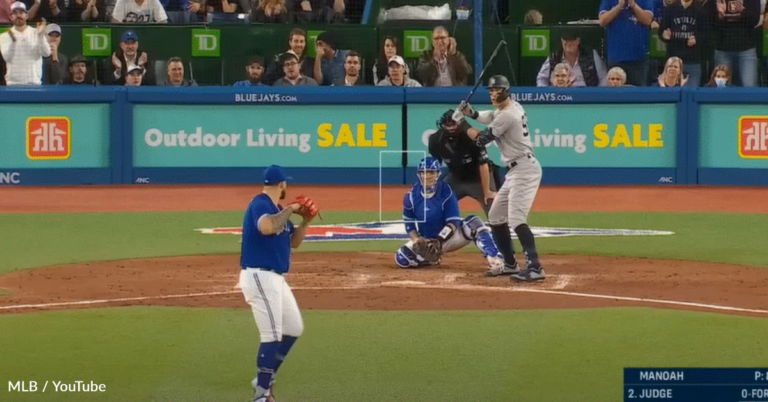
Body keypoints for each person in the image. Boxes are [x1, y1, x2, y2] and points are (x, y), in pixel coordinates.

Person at [238, 165, 318, 402]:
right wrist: (292, 209)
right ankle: (262, 394)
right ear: (282, 185)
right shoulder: (260, 204)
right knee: (272, 335)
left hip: (275, 279)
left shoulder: (277, 210)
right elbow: (266, 227)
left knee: (293, 328)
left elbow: (294, 243)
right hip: (259, 276)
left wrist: (305, 222)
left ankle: (265, 377)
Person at [458, 75, 545, 283]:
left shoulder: (509, 115)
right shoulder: (506, 109)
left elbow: (482, 140)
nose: (493, 95)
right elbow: (486, 116)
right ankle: (509, 264)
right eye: (490, 91)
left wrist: (462, 125)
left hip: (525, 169)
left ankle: (535, 267)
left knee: (516, 220)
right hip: (515, 170)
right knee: (496, 215)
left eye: (496, 91)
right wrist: (469, 113)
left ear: (505, 92)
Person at [395, 157, 506, 277]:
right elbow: (409, 225)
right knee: (402, 258)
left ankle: (495, 260)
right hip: (426, 241)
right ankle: (429, 259)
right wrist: (417, 240)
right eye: (424, 172)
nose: (427, 176)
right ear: (419, 174)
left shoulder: (446, 193)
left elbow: (453, 223)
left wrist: (438, 241)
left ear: (438, 174)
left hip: (448, 239)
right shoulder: (410, 197)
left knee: (474, 223)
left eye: (431, 172)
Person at [428, 109, 497, 220]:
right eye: (447, 125)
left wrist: (487, 191)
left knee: (494, 211)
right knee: (434, 204)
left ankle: (499, 234)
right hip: (456, 177)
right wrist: (433, 188)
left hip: (478, 178)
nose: (451, 128)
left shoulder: (472, 138)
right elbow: (435, 167)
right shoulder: (435, 140)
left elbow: (483, 165)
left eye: (453, 124)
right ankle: (438, 233)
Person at [0, 2, 50, 86]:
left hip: (34, 83)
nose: (18, 15)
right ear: (11, 17)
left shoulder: (36, 32)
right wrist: (13, 41)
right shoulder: (4, 36)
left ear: (26, 16)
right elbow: (7, 58)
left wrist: (41, 36)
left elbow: (46, 53)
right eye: (15, 13)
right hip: (13, 84)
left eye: (21, 12)